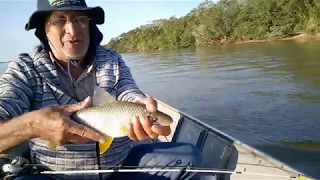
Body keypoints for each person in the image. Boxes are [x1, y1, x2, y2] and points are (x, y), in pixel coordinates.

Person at [0, 0, 202, 179]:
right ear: (44, 29)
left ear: (89, 24)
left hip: (121, 169)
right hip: (53, 175)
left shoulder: (111, 59)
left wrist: (139, 105)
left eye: (80, 19)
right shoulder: (24, 68)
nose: (72, 29)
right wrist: (32, 126)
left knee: (190, 156)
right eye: (59, 20)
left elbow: (127, 91)